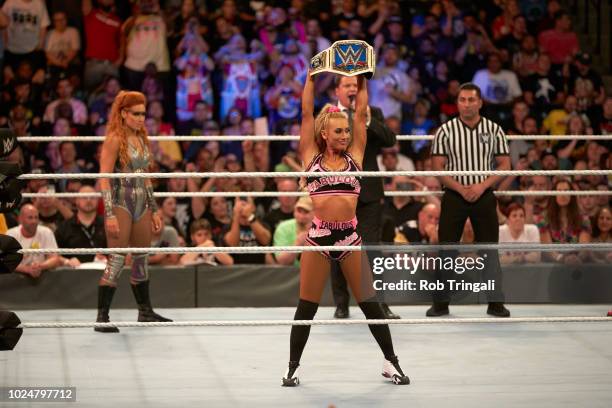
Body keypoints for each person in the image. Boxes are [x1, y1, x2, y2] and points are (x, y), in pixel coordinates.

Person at [281, 72, 410, 387]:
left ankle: (391, 362)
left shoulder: (356, 156)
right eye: (338, 131)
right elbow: (305, 111)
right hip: (320, 237)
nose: (344, 134)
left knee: (370, 303)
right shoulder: (310, 156)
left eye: (346, 130)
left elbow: (363, 111)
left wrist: (364, 79)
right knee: (306, 307)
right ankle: (292, 368)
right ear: (324, 133)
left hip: (350, 237)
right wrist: (311, 78)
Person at [429, 82, 511, 318]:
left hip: (484, 194)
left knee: (489, 249)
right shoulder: (445, 130)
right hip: (454, 195)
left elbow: (505, 164)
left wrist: (481, 185)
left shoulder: (494, 129)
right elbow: (437, 166)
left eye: (471, 100)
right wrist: (461, 188)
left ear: (480, 102)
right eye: (462, 100)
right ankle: (440, 304)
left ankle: (495, 303)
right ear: (457, 103)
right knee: (447, 249)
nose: (467, 104)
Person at [96, 90, 171, 334]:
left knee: (141, 257)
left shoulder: (141, 138)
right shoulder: (114, 139)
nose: (141, 118)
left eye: (143, 114)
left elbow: (146, 177)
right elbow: (105, 179)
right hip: (120, 203)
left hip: (141, 205)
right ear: (124, 114)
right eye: (136, 114)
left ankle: (145, 312)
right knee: (117, 258)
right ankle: (102, 317)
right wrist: (108, 213)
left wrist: (155, 209)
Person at [330, 74, 399, 320]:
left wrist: (366, 116)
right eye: (347, 85)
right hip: (337, 192)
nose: (351, 89)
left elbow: (390, 140)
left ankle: (379, 304)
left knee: (372, 249)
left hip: (368, 193)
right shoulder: (327, 114)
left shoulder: (374, 112)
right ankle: (341, 304)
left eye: (355, 85)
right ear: (337, 90)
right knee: (338, 248)